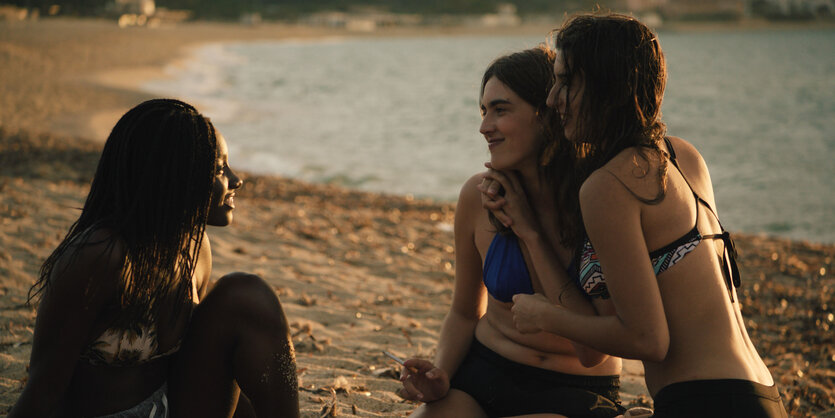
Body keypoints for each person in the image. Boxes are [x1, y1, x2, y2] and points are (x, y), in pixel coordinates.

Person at [498, 13, 788, 417]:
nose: (552, 99)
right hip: (760, 395)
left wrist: (546, 316)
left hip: (705, 402)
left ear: (606, 86)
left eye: (566, 82)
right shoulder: (682, 155)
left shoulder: (609, 185)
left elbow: (648, 339)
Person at [10, 99, 300, 417]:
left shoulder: (195, 249)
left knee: (247, 296)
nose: (236, 180)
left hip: (171, 406)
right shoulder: (100, 257)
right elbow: (42, 391)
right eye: (220, 169)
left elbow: (195, 367)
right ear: (177, 175)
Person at [398, 46, 627, 418]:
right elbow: (463, 312)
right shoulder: (478, 197)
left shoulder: (597, 201)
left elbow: (595, 345)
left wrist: (528, 231)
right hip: (485, 373)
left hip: (576, 390)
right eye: (484, 111)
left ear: (549, 113)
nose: (484, 126)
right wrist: (442, 374)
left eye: (501, 110)